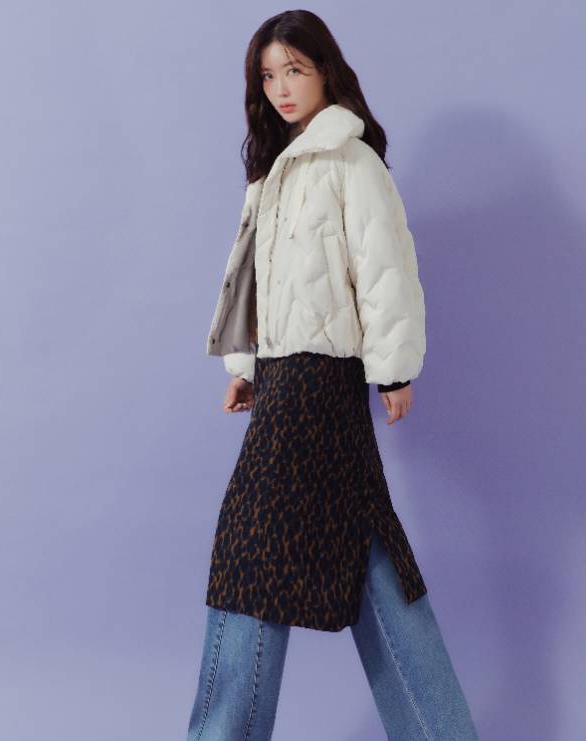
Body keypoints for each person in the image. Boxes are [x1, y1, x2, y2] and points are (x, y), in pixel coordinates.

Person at [187, 10, 479, 740]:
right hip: (283, 379)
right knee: (368, 549)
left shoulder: (351, 162)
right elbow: (259, 282)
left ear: (326, 72)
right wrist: (248, 366)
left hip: (320, 384)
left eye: (295, 70)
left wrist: (394, 371)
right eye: (268, 75)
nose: (281, 87)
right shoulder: (275, 170)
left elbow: (385, 270)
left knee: (249, 553)